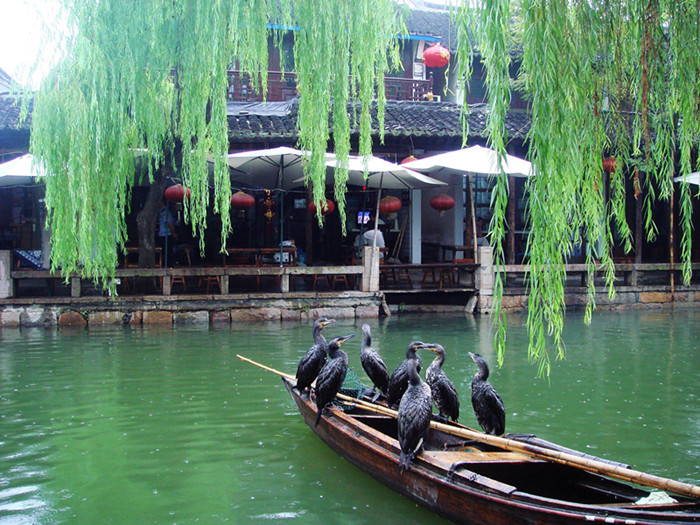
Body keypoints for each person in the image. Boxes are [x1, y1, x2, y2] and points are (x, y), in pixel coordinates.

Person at [158, 197, 178, 266]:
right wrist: (174, 233)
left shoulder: (163, 212)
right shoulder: (165, 212)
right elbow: (169, 224)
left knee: (167, 251)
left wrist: (173, 233)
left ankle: (168, 265)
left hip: (165, 235)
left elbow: (169, 224)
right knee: (167, 251)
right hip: (165, 235)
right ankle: (168, 265)